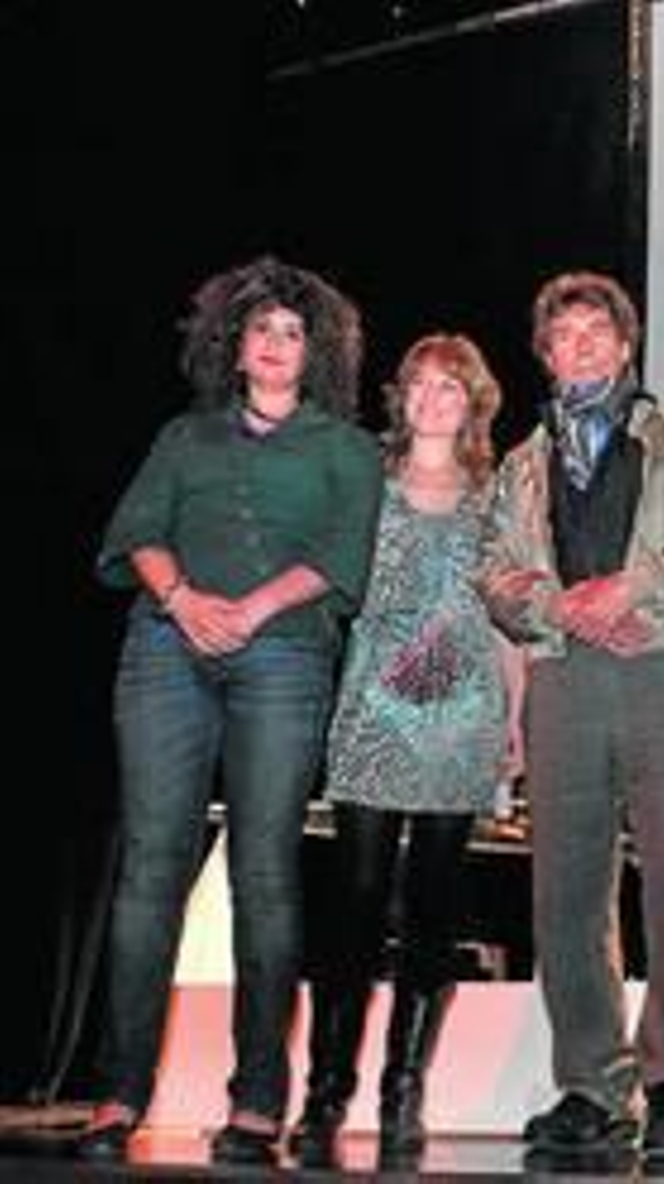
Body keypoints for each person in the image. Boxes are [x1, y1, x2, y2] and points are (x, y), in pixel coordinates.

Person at [80, 256, 384, 1167]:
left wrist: (246, 612)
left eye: (294, 333)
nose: (277, 345)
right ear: (234, 344)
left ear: (316, 350)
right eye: (262, 331)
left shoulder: (347, 449)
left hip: (283, 656)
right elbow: (136, 534)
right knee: (149, 870)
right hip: (166, 652)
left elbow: (340, 560)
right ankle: (117, 1092)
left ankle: (257, 1102)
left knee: (265, 874)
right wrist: (184, 604)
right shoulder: (186, 437)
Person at [478, 271, 664, 1168]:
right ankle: (593, 1086)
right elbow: (497, 575)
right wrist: (567, 608)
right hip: (563, 677)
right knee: (564, 893)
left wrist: (630, 589)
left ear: (625, 345)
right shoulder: (518, 465)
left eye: (598, 331)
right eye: (565, 335)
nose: (581, 346)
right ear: (546, 354)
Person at [286, 333, 524, 1168]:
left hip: (463, 716)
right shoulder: (365, 487)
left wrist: (515, 723)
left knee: (432, 913)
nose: (433, 399)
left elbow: (508, 624)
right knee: (351, 903)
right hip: (375, 708)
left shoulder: (497, 499)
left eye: (449, 388)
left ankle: (401, 1093)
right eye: (420, 385)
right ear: (403, 398)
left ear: (473, 404)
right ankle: (324, 1095)